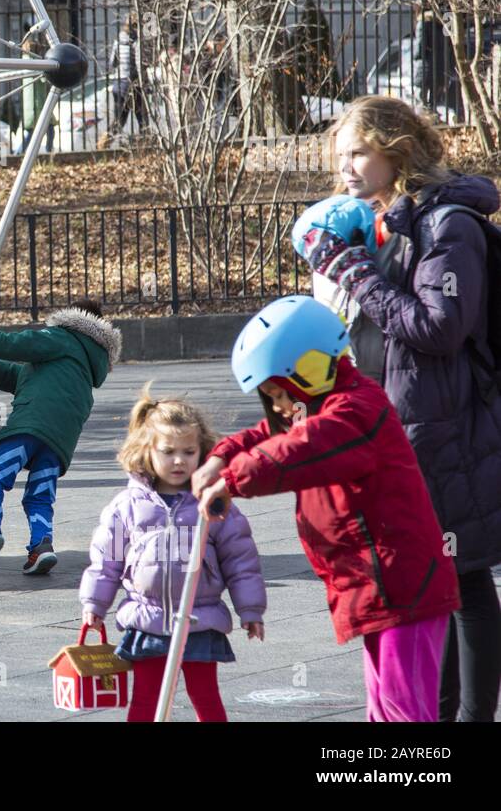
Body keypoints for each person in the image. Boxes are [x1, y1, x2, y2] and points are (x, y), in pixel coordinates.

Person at [295, 95, 501, 721]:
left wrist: (355, 271)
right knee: (427, 583)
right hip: (400, 431)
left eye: (358, 153)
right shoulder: (393, 221)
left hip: (448, 429)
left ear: (398, 151)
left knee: (460, 579)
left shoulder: (449, 224)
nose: (346, 169)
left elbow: (439, 327)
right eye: (340, 157)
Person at [193, 296, 461, 722]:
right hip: (376, 587)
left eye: (281, 392)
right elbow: (274, 433)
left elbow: (301, 447)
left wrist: (234, 479)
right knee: (385, 706)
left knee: (404, 710)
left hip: (401, 585)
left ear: (309, 369)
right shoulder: (316, 408)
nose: (280, 406)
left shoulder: (355, 411)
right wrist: (220, 457)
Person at [80, 387, 267, 722]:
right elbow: (106, 562)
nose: (179, 460)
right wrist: (94, 605)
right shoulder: (127, 506)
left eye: (188, 451)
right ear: (147, 451)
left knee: (206, 699)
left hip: (200, 618)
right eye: (168, 451)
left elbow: (241, 561)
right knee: (145, 701)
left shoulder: (212, 503)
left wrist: (250, 610)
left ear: (202, 452)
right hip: (147, 619)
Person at [0, 299, 121, 575]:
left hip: (30, 426)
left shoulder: (62, 336)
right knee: (40, 496)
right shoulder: (85, 365)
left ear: (70, 318)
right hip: (59, 442)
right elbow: (23, 377)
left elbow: (20, 344)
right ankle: (41, 547)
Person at [100, 13, 143, 147]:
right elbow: (138, 63)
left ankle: (103, 143)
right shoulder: (135, 41)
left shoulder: (118, 40)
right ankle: (144, 144)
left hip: (118, 83)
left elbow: (112, 63)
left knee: (120, 118)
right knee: (142, 117)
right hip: (132, 83)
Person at [19, 28, 57, 153]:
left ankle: (19, 153)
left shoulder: (24, 62)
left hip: (30, 105)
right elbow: (42, 79)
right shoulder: (35, 64)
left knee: (31, 133)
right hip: (38, 104)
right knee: (49, 129)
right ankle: (47, 151)